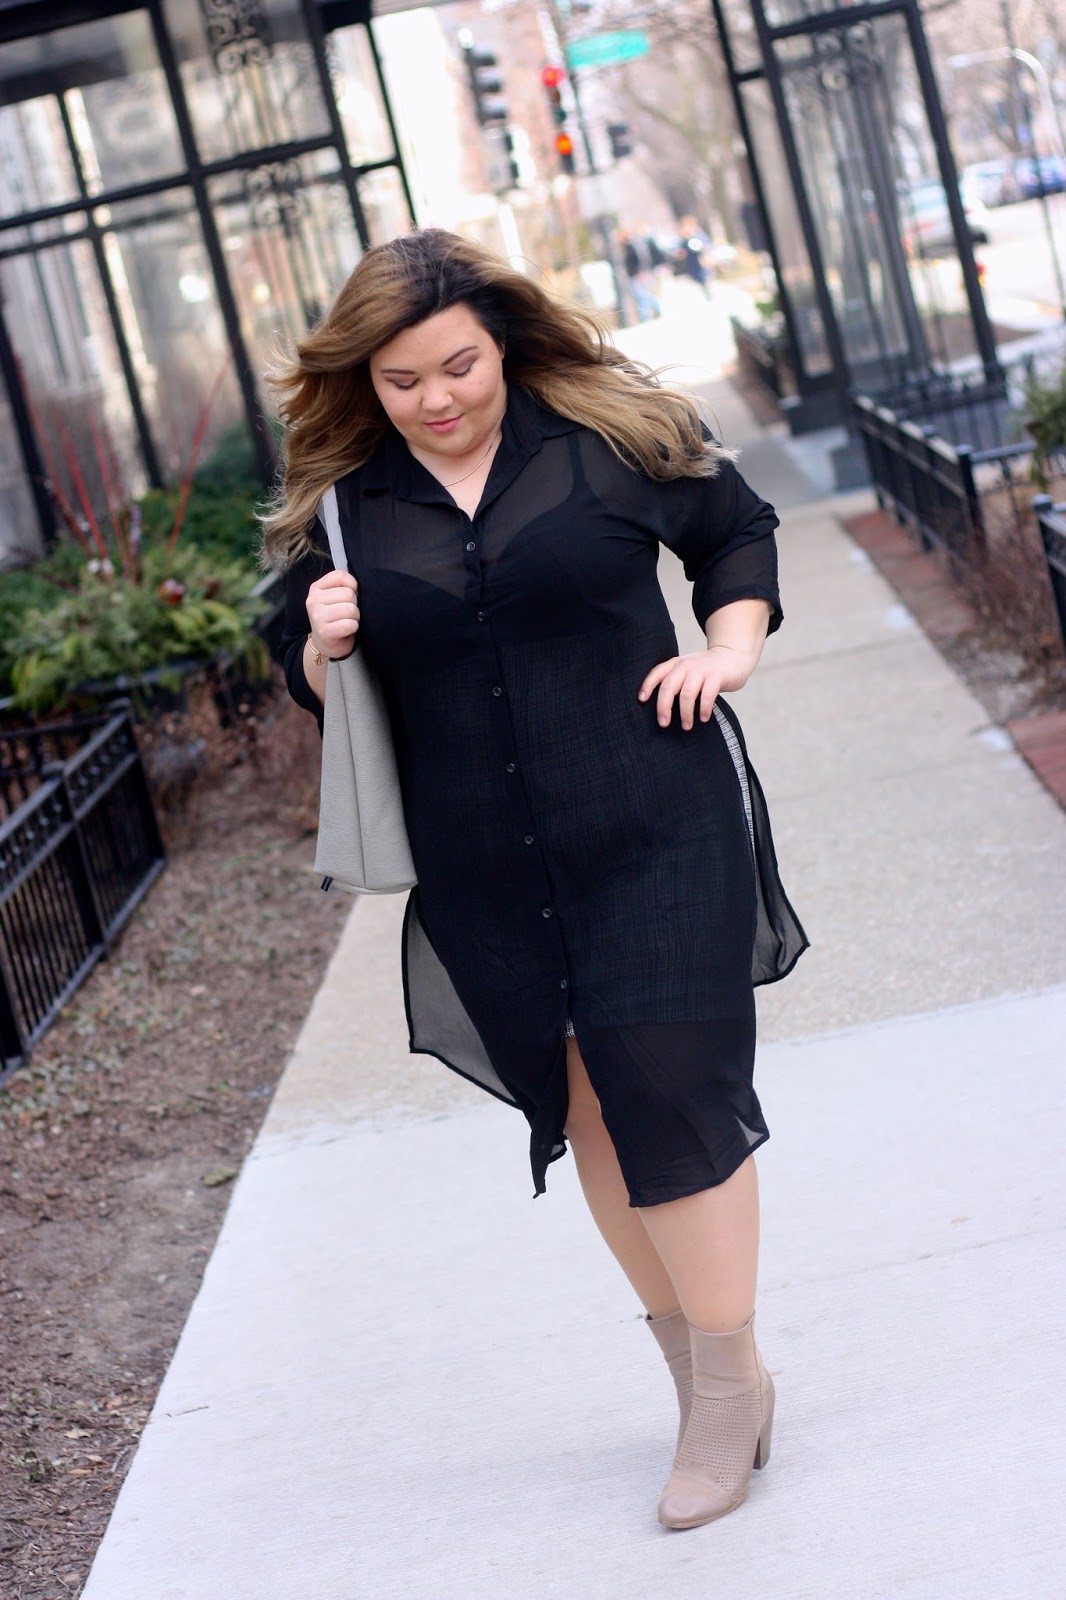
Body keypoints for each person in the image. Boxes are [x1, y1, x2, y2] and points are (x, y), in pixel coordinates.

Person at [265, 229, 807, 1532]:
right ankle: (693, 1373)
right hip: (486, 869)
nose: (436, 398)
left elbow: (733, 529)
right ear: (367, 382)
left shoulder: (603, 443)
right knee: (592, 1114)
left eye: (457, 365)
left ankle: (727, 1391)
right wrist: (323, 648)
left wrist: (726, 655)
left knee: (673, 1083)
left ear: (500, 338)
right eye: (402, 381)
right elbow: (293, 660)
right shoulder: (351, 506)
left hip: (655, 820)